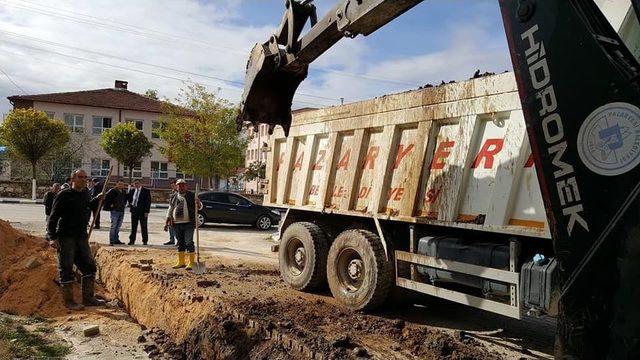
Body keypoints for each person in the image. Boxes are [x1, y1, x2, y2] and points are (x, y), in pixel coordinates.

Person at [47, 169, 106, 310]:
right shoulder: (64, 195)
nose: (84, 179)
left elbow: (88, 206)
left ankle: (88, 298)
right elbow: (53, 217)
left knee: (89, 267)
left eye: (85, 177)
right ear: (73, 179)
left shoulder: (86, 193)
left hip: (81, 237)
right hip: (66, 236)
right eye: (80, 177)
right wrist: (52, 237)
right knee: (66, 269)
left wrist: (98, 199)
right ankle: (69, 302)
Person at [164, 179, 201, 270]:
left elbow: (200, 207)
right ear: (176, 187)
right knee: (180, 243)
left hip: (188, 223)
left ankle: (191, 263)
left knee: (188, 242)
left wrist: (198, 203)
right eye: (179, 185)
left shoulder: (192, 195)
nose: (181, 187)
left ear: (186, 186)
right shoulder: (173, 196)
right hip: (176, 223)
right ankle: (181, 262)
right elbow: (170, 209)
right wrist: (167, 222)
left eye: (183, 185)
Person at [127, 179, 151, 245]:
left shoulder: (146, 191)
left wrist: (146, 211)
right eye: (135, 184)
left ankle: (145, 240)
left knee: (143, 226)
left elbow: (148, 202)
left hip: (143, 212)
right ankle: (132, 240)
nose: (136, 185)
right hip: (134, 211)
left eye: (137, 183)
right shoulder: (132, 190)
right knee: (133, 226)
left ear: (140, 184)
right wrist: (131, 204)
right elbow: (129, 198)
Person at [104, 179, 127, 246]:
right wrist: (110, 204)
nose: (120, 185)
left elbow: (125, 199)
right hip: (115, 211)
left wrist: (124, 204)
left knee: (118, 226)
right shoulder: (112, 191)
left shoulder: (123, 191)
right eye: (119, 184)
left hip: (121, 210)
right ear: (116, 184)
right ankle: (111, 241)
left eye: (122, 184)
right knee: (113, 226)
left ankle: (116, 240)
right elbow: (106, 197)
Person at [163, 180, 178, 246]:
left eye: (173, 186)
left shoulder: (178, 193)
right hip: (171, 210)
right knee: (170, 226)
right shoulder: (173, 192)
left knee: (175, 227)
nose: (172, 187)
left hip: (175, 211)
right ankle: (172, 240)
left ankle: (178, 241)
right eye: (171, 186)